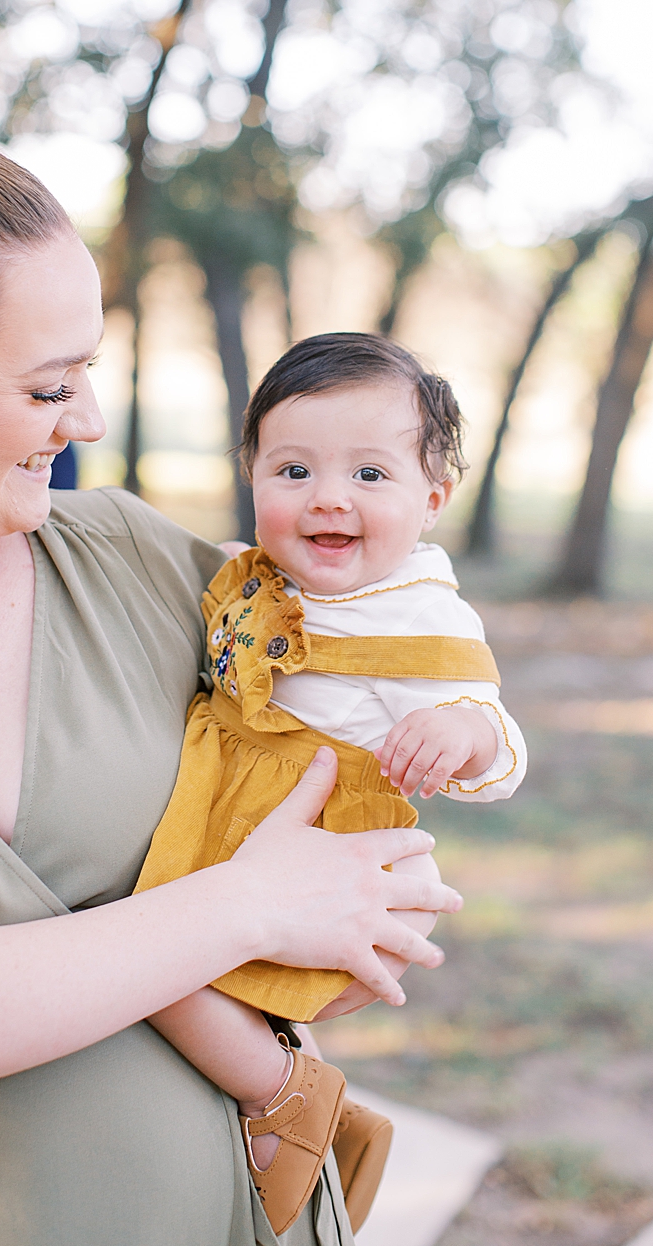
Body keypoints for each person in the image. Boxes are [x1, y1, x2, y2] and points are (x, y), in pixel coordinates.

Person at [0, 74, 459, 1246]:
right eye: (47, 386)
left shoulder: (135, 560)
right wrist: (248, 902)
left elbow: (381, 643)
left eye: (88, 372)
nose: (87, 423)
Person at [135, 334, 527, 1235]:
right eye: (294, 469)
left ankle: (287, 1106)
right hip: (230, 803)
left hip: (314, 838)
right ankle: (311, 1116)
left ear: (432, 498)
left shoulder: (415, 614)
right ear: (254, 475)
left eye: (371, 476)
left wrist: (456, 733)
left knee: (155, 969)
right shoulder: (265, 571)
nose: (329, 499)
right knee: (206, 978)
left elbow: (501, 740)